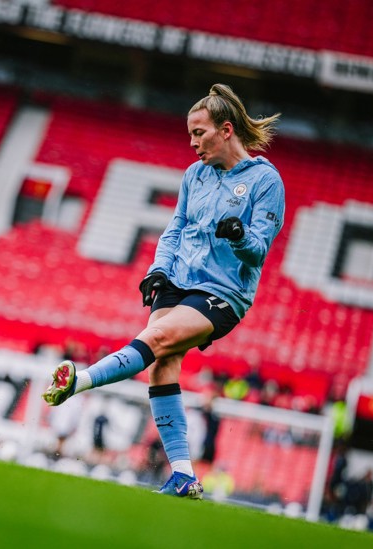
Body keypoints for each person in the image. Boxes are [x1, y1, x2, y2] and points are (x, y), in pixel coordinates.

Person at [42, 83, 285, 500]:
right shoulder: (195, 175)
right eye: (190, 134)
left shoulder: (266, 181)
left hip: (222, 292)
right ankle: (184, 475)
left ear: (226, 130)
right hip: (176, 280)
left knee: (154, 340)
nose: (192, 142)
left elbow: (258, 250)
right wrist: (157, 271)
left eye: (199, 133)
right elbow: (176, 229)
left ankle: (78, 382)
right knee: (161, 364)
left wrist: (239, 235)